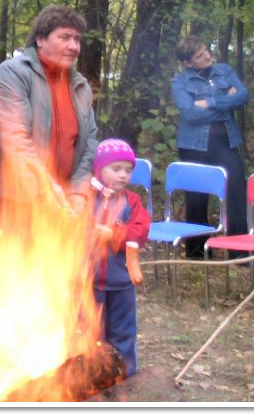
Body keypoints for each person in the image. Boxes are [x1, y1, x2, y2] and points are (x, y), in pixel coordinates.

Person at [0, 4, 98, 225]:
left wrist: (77, 192)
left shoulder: (80, 86)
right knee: (13, 261)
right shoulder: (13, 74)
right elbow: (15, 140)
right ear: (40, 39)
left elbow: (89, 144)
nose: (73, 46)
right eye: (64, 37)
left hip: (62, 203)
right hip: (14, 201)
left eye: (77, 39)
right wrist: (45, 187)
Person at [171, 36, 250, 258]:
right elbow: (190, 113)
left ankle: (240, 254)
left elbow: (243, 96)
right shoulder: (179, 82)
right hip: (194, 147)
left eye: (206, 50)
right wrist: (226, 101)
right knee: (196, 199)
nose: (206, 55)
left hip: (227, 142)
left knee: (236, 195)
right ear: (188, 63)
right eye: (199, 55)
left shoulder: (224, 71)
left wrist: (211, 102)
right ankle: (197, 253)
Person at [89, 139, 150, 377]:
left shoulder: (131, 202)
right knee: (92, 332)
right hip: (89, 281)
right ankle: (92, 377)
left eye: (128, 170)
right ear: (99, 169)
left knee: (123, 332)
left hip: (121, 282)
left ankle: (126, 375)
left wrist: (114, 234)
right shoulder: (84, 197)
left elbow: (141, 231)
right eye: (116, 169)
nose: (123, 175)